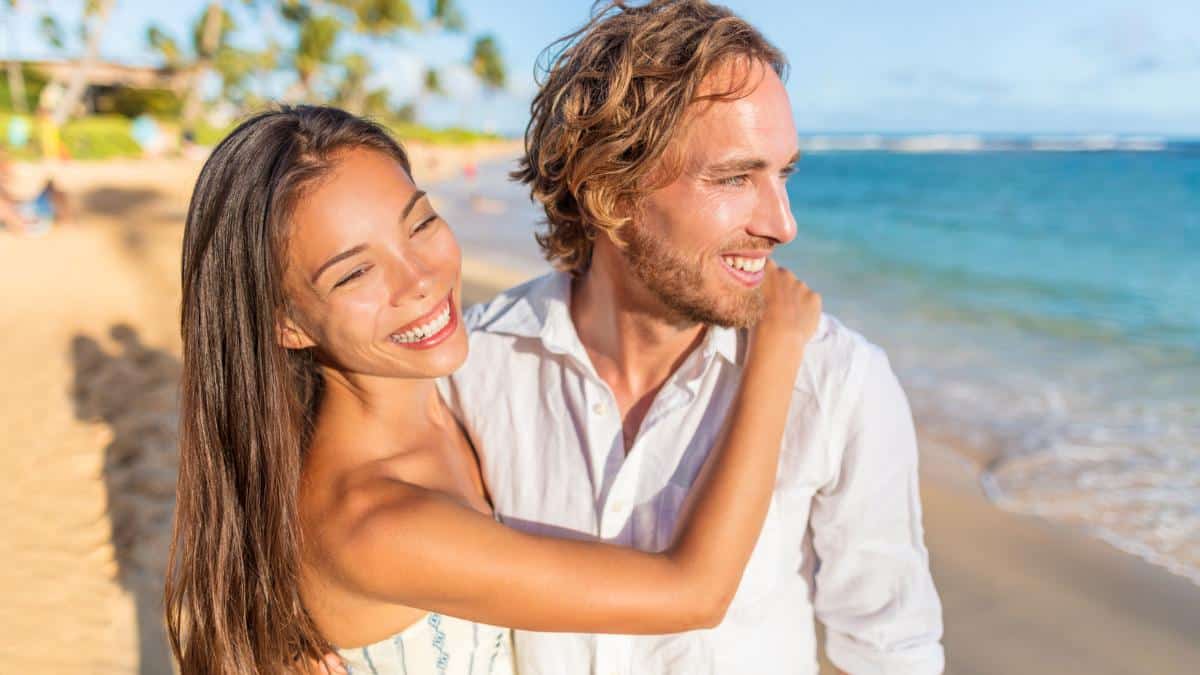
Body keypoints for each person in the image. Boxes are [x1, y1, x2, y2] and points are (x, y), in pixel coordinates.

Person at [165, 105, 822, 674]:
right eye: (356, 272)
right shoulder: (377, 522)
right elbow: (693, 593)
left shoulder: (439, 401)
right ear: (284, 321)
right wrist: (777, 345)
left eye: (419, 223)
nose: (420, 277)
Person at [440, 1, 945, 673]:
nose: (783, 223)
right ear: (610, 196)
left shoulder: (838, 379)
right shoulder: (471, 368)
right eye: (736, 177)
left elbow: (890, 652)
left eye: (783, 173)